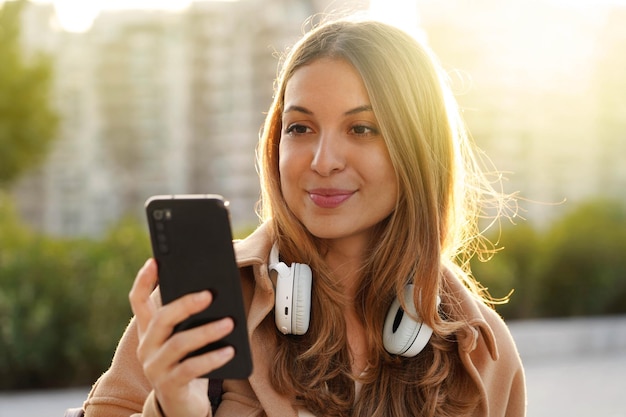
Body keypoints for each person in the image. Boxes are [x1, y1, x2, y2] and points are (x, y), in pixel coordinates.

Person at [81, 16, 525, 417]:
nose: (323, 160)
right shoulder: (197, 305)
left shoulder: (484, 350)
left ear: (418, 149)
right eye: (300, 128)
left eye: (361, 129)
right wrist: (173, 411)